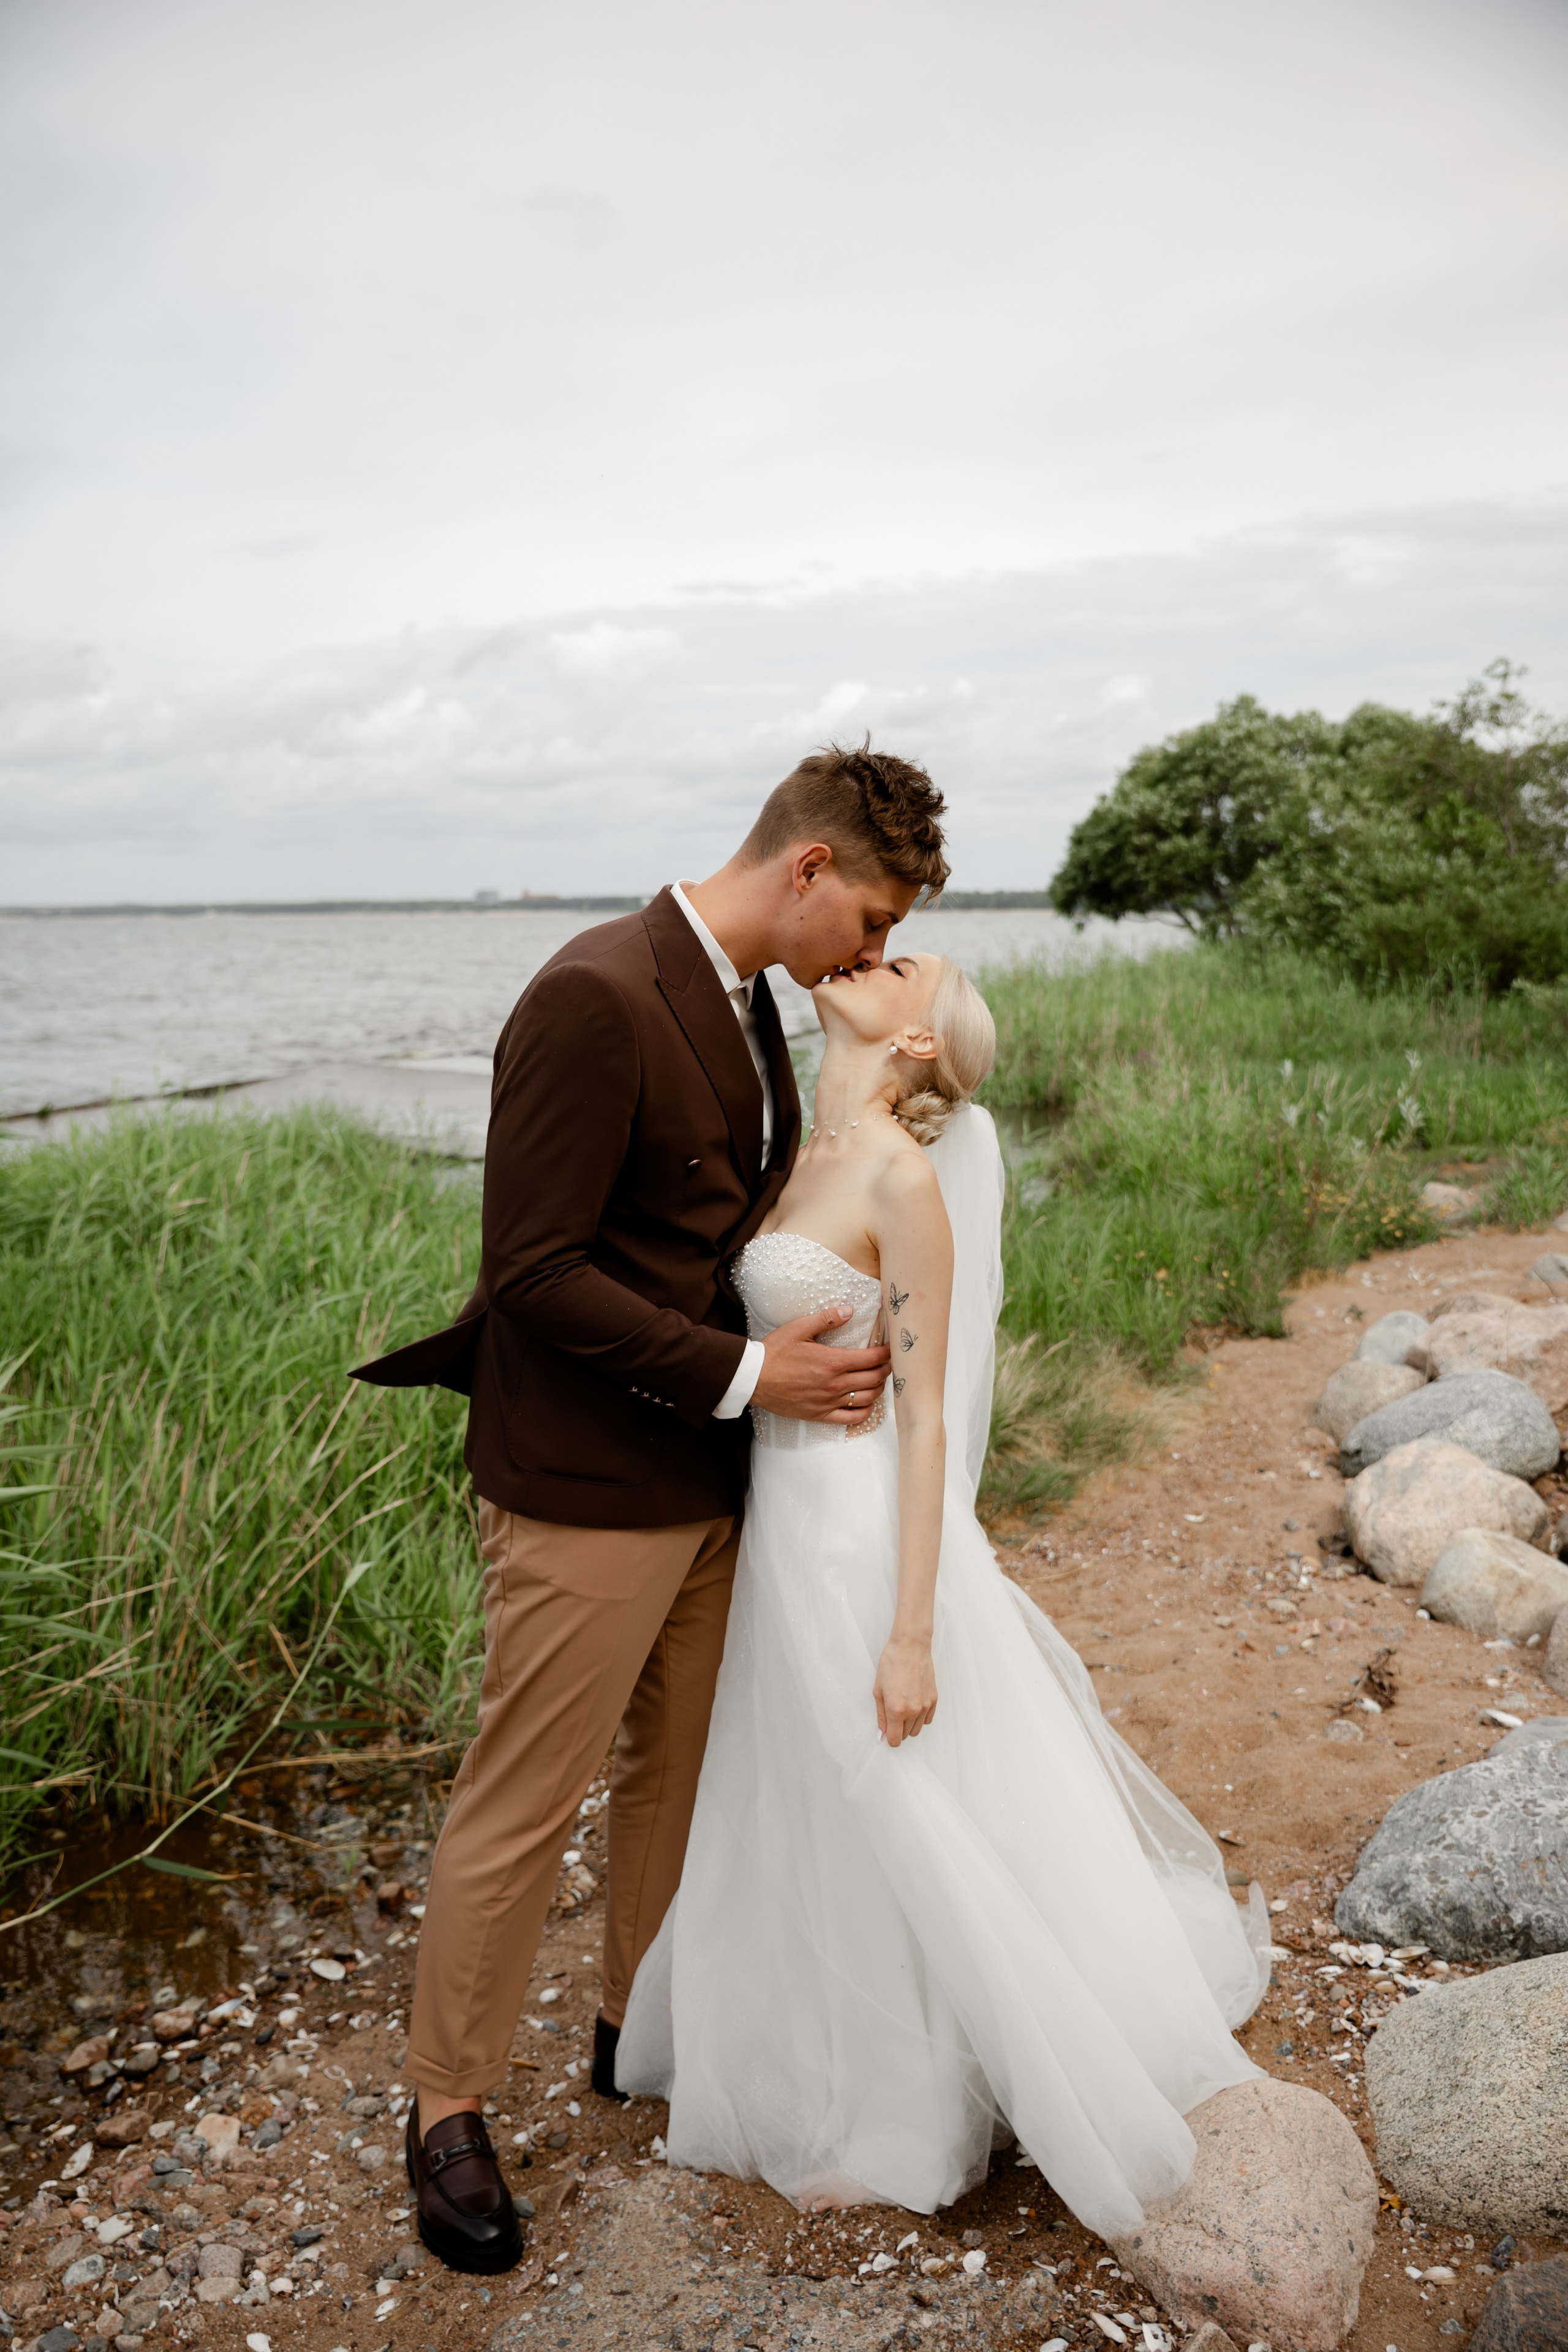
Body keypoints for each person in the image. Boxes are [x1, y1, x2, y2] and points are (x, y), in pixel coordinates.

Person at [352, 743, 951, 2272]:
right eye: (869, 920)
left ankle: (636, 2026)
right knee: (524, 1797)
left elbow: (717, 1230)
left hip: (718, 1482)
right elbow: (532, 1272)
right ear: (808, 867)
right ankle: (445, 2110)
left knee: (675, 1773)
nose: (868, 955)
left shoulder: (752, 1004)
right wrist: (753, 1373)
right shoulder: (591, 993)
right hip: (582, 1486)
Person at [614, 951, 1272, 2236]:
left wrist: (911, 1633)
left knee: (889, 1785)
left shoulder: (900, 1179)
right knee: (799, 1785)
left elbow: (924, 1421)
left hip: (859, 1530)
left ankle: (906, 2114)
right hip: (779, 1518)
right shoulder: (796, 1149)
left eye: (902, 964)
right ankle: (796, 2049)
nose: (870, 957)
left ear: (918, 1040)